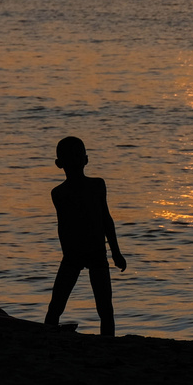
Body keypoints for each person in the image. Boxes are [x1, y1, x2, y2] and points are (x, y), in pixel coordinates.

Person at [43, 136, 127, 337]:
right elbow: (66, 226)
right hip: (78, 253)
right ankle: (48, 335)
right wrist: (115, 252)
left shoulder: (93, 186)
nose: (74, 160)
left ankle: (106, 340)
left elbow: (105, 220)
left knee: (101, 306)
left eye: (76, 156)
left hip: (89, 252)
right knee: (60, 303)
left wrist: (115, 252)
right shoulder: (61, 193)